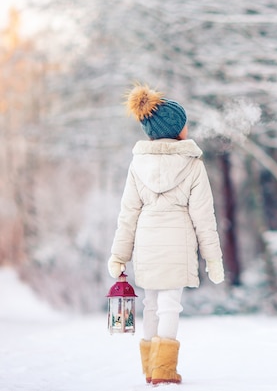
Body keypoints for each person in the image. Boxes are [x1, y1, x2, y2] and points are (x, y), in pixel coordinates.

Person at [108, 83, 225, 385]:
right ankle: (165, 371)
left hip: (147, 246)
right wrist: (213, 259)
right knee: (170, 305)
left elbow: (128, 213)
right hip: (177, 247)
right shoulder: (193, 165)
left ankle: (151, 370)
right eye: (184, 123)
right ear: (176, 129)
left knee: (150, 304)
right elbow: (204, 217)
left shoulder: (137, 165)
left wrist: (119, 255)